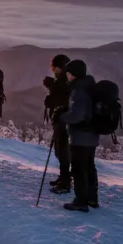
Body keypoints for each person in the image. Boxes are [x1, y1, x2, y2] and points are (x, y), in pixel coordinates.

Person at [60, 59, 100, 212]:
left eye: (69, 73)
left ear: (74, 74)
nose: (67, 76)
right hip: (92, 135)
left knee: (78, 169)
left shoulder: (79, 90)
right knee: (89, 167)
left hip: (80, 136)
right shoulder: (91, 86)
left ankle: (80, 201)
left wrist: (62, 116)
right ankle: (92, 198)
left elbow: (77, 115)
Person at [43, 54, 72, 193]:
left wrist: (52, 87)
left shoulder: (65, 82)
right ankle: (63, 177)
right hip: (60, 120)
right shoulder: (62, 81)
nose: (53, 70)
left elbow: (63, 101)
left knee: (62, 151)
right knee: (59, 150)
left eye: (54, 67)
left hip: (63, 121)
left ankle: (66, 182)